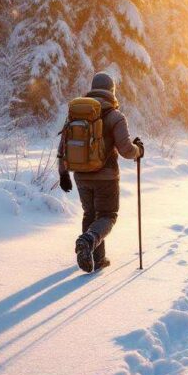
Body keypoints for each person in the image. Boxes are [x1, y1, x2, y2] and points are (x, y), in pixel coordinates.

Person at [60, 72, 144, 273]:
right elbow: (126, 150)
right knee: (108, 215)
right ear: (111, 91)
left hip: (80, 175)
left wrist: (63, 174)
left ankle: (97, 259)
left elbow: (62, 147)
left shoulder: (76, 113)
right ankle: (88, 241)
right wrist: (139, 150)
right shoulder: (115, 116)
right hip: (106, 176)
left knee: (90, 214)